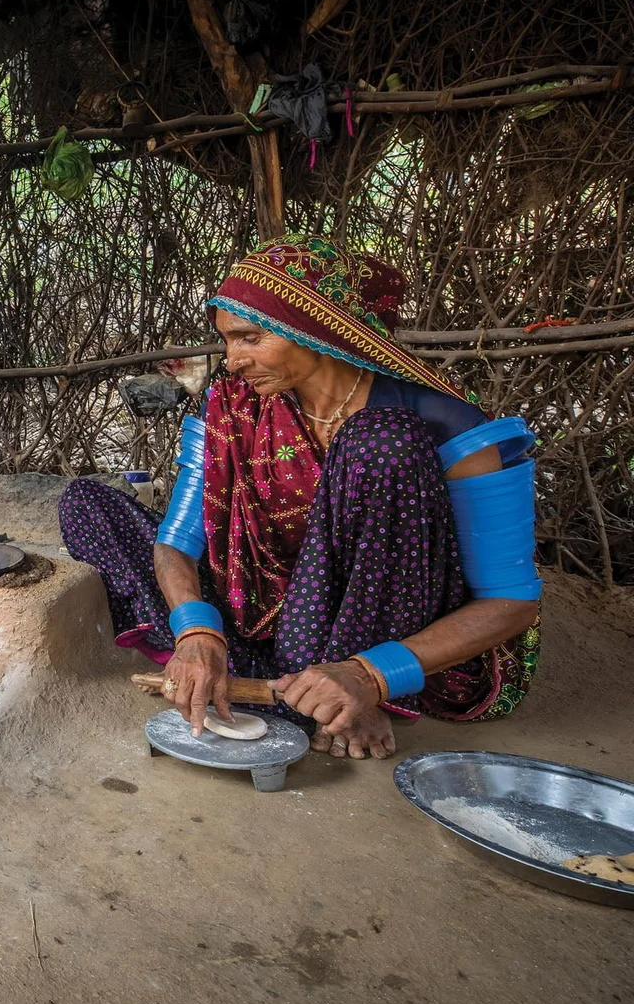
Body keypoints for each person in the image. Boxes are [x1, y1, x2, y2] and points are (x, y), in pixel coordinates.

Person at [59, 235, 542, 759]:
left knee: (382, 443)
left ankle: (344, 691)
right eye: (226, 342)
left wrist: (372, 675)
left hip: (398, 634)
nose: (232, 361)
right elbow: (178, 542)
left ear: (314, 329)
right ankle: (281, 681)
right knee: (88, 502)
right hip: (266, 615)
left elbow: (511, 601)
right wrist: (197, 631)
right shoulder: (234, 408)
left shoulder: (446, 424)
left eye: (248, 339)